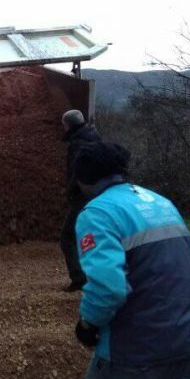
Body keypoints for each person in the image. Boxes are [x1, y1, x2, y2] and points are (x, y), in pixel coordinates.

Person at [41, 141, 190, 379]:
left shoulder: (96, 213)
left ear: (83, 180)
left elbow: (108, 287)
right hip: (185, 345)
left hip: (131, 355)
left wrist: (88, 323)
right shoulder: (161, 203)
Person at [60, 109, 102, 292]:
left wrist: (69, 192)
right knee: (93, 236)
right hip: (99, 194)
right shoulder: (94, 135)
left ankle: (79, 279)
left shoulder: (77, 143)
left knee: (67, 237)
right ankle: (98, 277)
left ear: (67, 125)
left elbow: (77, 172)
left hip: (83, 196)